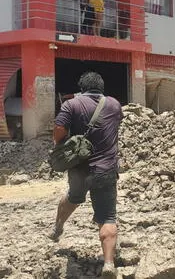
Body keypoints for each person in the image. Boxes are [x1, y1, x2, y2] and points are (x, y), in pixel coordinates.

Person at [50, 72, 122, 279]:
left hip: (80, 169)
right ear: (101, 88)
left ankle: (58, 226)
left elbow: (59, 129)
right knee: (107, 216)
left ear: (81, 88)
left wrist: (61, 144)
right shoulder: (115, 105)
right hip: (107, 169)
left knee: (73, 196)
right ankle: (108, 263)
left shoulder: (71, 104)